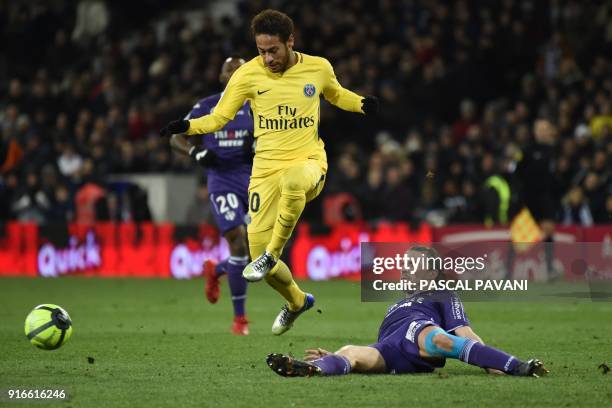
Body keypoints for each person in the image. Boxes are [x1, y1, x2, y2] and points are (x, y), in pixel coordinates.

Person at [161, 9, 379, 335]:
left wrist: (361, 104)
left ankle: (271, 255)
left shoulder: (317, 68)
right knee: (260, 262)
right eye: (261, 51)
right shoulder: (248, 74)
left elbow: (336, 94)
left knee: (288, 196)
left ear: (290, 41)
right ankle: (296, 301)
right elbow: (219, 117)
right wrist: (188, 126)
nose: (267, 58)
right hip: (263, 173)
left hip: (308, 162)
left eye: (273, 50)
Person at [266, 246, 548, 377]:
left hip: (420, 334)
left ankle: (516, 365)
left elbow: (465, 332)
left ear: (432, 272)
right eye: (404, 265)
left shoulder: (442, 294)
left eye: (412, 266)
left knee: (440, 339)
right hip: (389, 348)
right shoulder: (397, 302)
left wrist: (492, 364)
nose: (404, 270)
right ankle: (313, 369)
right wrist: (336, 357)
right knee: (351, 352)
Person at [169, 57, 253, 335]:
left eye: (240, 69)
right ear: (221, 77)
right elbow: (175, 136)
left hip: (255, 179)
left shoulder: (259, 106)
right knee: (237, 243)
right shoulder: (206, 106)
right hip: (222, 180)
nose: (234, 73)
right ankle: (240, 320)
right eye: (229, 69)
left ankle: (216, 270)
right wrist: (195, 152)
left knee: (259, 256)